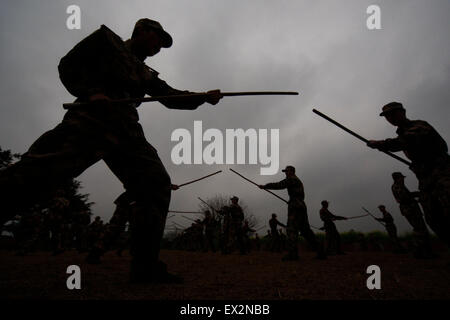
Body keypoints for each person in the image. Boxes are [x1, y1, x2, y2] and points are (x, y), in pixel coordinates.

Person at [0, 18, 223, 283]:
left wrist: (202, 97)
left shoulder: (146, 73)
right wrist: (92, 92)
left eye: (163, 45)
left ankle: (145, 268)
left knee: (155, 185)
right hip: (89, 122)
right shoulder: (107, 41)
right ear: (140, 30)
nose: (158, 47)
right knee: (34, 175)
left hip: (126, 131)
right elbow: (69, 65)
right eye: (157, 39)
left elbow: (169, 97)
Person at [367, 102, 450, 247]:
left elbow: (407, 140)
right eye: (387, 116)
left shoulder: (419, 126)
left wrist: (381, 144)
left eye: (393, 113)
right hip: (425, 180)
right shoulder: (402, 133)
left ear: (403, 112)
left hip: (443, 175)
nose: (390, 118)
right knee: (433, 219)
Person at [259, 166, 326, 260]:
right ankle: (320, 251)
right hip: (300, 205)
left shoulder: (292, 179)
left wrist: (265, 186)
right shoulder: (296, 180)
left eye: (287, 171)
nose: (285, 173)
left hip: (295, 206)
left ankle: (293, 254)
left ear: (292, 171)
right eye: (285, 172)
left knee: (291, 230)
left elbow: (279, 185)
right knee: (306, 231)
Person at [391, 172, 434, 258]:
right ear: (397, 179)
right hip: (410, 210)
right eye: (401, 178)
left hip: (411, 209)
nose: (403, 179)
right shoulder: (397, 187)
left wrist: (416, 194)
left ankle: (425, 252)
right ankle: (420, 252)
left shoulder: (400, 186)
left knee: (421, 229)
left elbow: (407, 195)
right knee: (419, 230)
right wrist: (417, 196)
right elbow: (404, 198)